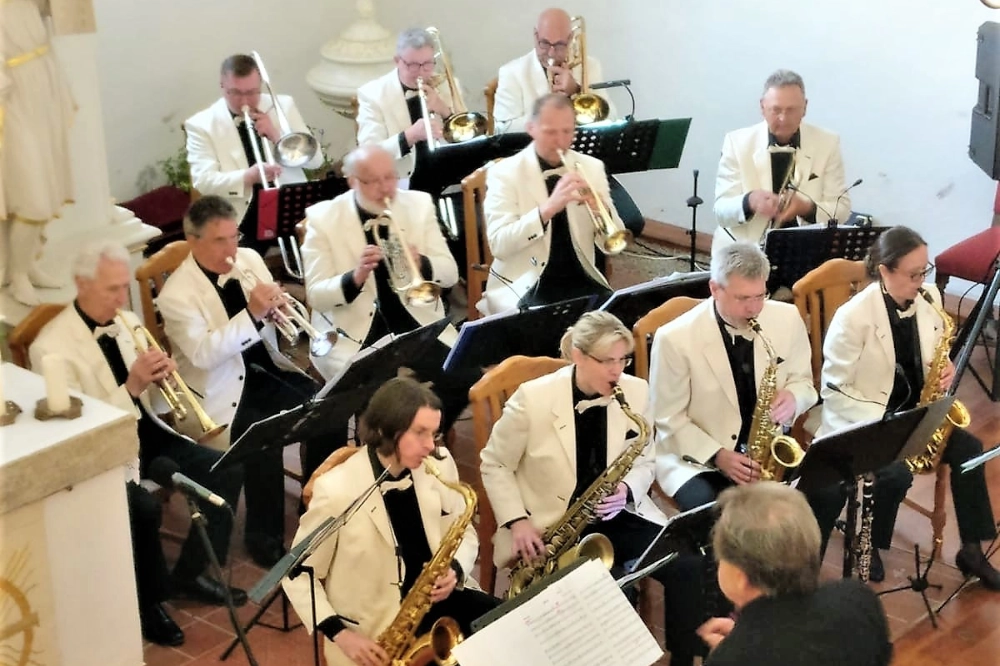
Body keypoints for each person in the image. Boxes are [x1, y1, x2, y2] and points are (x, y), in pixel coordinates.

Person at [29, 241, 245, 645]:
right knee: (142, 509)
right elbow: (74, 425)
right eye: (112, 289)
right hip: (103, 452)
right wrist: (131, 385)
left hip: (148, 435)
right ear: (82, 284)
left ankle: (190, 574)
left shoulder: (126, 321)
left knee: (228, 468)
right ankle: (148, 603)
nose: (122, 298)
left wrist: (164, 376)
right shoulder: (51, 347)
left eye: (124, 287)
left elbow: (154, 401)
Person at [480, 310, 704, 666]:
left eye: (623, 360)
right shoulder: (532, 399)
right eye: (607, 361)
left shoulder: (635, 391)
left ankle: (682, 658)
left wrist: (628, 490)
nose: (618, 371)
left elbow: (646, 459)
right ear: (579, 356)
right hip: (553, 527)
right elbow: (495, 464)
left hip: (617, 514)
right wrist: (517, 521)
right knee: (608, 592)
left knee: (688, 564)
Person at [817, 225, 1000, 586]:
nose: (922, 281)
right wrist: (887, 426)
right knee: (896, 472)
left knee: (969, 448)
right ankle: (865, 544)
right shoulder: (852, 319)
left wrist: (943, 367)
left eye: (925, 270)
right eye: (914, 273)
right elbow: (834, 390)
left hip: (915, 413)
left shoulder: (928, 300)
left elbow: (933, 352)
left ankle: (972, 551)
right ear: (885, 271)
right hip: (867, 420)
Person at [283, 377, 498, 666]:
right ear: (385, 429)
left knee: (514, 623)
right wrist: (342, 635)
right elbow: (297, 574)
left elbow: (465, 533)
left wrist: (456, 569)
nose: (429, 446)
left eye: (434, 434)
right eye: (420, 433)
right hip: (377, 632)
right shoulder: (337, 492)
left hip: (438, 600)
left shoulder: (438, 463)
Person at [157, 195, 323, 568]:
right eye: (220, 240)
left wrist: (280, 308)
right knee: (263, 434)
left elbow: (274, 319)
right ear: (193, 240)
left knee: (324, 406)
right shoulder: (176, 296)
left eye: (235, 236)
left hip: (264, 368)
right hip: (219, 391)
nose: (232, 248)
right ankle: (263, 538)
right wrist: (252, 314)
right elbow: (204, 353)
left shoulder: (247, 259)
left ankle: (319, 505)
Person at [650, 241, 845, 555]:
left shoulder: (786, 317)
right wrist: (719, 456)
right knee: (715, 514)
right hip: (698, 457)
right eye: (743, 298)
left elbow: (805, 384)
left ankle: (802, 576)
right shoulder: (675, 338)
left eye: (760, 296)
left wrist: (794, 398)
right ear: (715, 288)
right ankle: (726, 591)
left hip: (765, 450)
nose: (754, 309)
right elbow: (667, 420)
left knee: (828, 491)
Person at [300, 144, 473, 483]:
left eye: (390, 178)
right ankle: (387, 468)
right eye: (373, 181)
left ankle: (425, 437)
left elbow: (450, 273)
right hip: (356, 330)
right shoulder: (323, 219)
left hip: (416, 318)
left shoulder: (418, 204)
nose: (385, 189)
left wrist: (420, 261)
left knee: (465, 377)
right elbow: (317, 295)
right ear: (352, 182)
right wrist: (356, 276)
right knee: (382, 403)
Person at [697, 482, 892, 666]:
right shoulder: (858, 598)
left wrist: (735, 650)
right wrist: (745, 639)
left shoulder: (731, 659)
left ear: (740, 577)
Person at [480, 93, 623, 316]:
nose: (560, 141)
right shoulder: (504, 173)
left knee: (617, 323)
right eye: (550, 132)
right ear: (531, 129)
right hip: (524, 283)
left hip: (579, 274)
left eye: (567, 131)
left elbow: (611, 244)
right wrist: (547, 210)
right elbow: (499, 245)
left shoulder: (591, 167)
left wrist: (600, 210)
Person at [184, 54, 323, 235]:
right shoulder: (201, 124)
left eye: (251, 92)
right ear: (222, 86)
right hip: (242, 217)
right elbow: (203, 181)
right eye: (235, 93)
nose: (244, 101)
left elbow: (316, 161)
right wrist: (247, 177)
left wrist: (277, 136)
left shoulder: (283, 106)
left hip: (291, 205)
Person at [713, 69, 848, 250]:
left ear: (805, 107)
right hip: (747, 249)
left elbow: (842, 210)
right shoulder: (737, 142)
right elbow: (721, 212)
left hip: (804, 246)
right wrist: (749, 201)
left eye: (791, 110)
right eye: (776, 110)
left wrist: (807, 208)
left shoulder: (827, 143)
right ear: (762, 107)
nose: (783, 119)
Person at [1, 0, 75, 305]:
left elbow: (47, 12)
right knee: (32, 196)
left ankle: (27, 264)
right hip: (11, 98)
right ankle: (16, 275)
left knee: (48, 179)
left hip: (42, 83)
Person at [356, 28, 457, 181]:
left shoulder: (447, 85)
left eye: (428, 64)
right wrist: (409, 136)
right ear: (397, 61)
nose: (421, 72)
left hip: (449, 176)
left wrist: (444, 110)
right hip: (400, 184)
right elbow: (369, 155)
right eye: (413, 65)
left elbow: (468, 137)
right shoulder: (372, 95)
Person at [492, 7, 613, 133]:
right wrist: (548, 110)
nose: (551, 52)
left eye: (560, 45)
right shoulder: (511, 72)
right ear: (535, 35)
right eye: (544, 43)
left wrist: (577, 90)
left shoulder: (590, 65)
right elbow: (502, 129)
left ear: (570, 38)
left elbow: (611, 117)